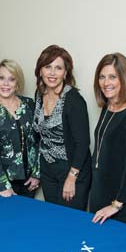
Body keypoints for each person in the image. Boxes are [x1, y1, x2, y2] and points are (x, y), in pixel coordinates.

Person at [90, 53, 126, 228]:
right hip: (102, 195)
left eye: (112, 77)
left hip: (125, 204)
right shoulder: (108, 107)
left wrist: (116, 204)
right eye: (102, 77)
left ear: (123, 78)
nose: (106, 82)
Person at [33, 45, 91, 210]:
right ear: (40, 71)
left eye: (58, 68)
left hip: (71, 170)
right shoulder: (39, 94)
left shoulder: (74, 100)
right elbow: (39, 135)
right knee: (52, 218)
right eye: (47, 67)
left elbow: (82, 143)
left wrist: (71, 178)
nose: (52, 73)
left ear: (65, 73)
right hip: (48, 169)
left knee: (70, 223)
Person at [0, 59, 40, 197]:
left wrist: (36, 174)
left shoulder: (29, 104)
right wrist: (2, 185)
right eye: (1, 78)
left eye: (11, 79)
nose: (6, 83)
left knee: (27, 217)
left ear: (17, 84)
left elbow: (39, 141)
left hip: (29, 181)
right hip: (2, 182)